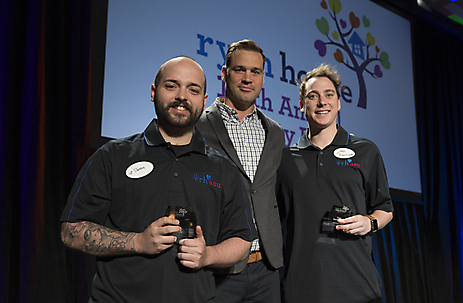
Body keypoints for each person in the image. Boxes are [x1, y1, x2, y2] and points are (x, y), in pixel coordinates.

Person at [60, 56, 253, 302]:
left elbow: (242, 240)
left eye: (193, 89)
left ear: (204, 101)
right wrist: (137, 242)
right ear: (154, 92)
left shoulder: (224, 169)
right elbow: (70, 231)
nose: (182, 96)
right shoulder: (113, 155)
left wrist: (208, 256)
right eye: (171, 86)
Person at [276, 63, 394, 303]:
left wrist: (369, 223)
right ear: (301, 105)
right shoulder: (285, 160)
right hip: (302, 287)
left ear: (339, 103)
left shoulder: (365, 151)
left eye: (329, 95)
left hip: (357, 284)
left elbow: (385, 209)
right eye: (313, 96)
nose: (322, 102)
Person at [196, 39, 284, 303]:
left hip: (267, 269)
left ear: (263, 79)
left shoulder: (275, 132)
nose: (248, 78)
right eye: (239, 70)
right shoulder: (198, 126)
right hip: (219, 268)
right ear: (224, 73)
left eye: (255, 72)